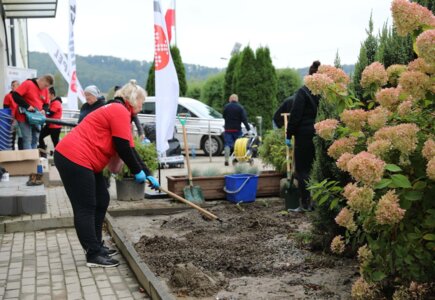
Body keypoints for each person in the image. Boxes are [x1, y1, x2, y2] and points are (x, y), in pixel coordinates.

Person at [54, 80, 159, 268]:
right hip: (73, 157)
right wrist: (137, 172)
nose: (142, 107)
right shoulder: (118, 110)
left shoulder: (122, 113)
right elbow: (122, 147)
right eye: (141, 102)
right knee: (85, 206)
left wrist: (148, 173)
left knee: (102, 199)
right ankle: (93, 254)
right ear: (133, 99)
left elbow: (131, 150)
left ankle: (97, 246)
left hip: (86, 161)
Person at [286, 61, 321, 212]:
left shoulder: (303, 92)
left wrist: (289, 135)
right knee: (318, 168)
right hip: (321, 134)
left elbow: (295, 116)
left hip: (304, 136)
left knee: (303, 170)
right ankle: (318, 203)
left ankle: (305, 204)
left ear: (309, 76)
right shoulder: (325, 93)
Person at [12, 74, 53, 149]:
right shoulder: (28, 84)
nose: (46, 88)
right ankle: (29, 158)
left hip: (37, 117)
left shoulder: (45, 90)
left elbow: (46, 103)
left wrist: (44, 109)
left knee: (35, 138)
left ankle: (33, 157)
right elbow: (15, 95)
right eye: (45, 85)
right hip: (24, 116)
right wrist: (27, 106)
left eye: (47, 86)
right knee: (27, 138)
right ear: (41, 80)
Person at [222, 94, 251, 166]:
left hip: (228, 130)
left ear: (230, 99)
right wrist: (248, 129)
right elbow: (244, 119)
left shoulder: (226, 107)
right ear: (237, 100)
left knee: (227, 145)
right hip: (237, 130)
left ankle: (226, 160)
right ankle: (238, 159)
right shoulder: (240, 108)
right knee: (239, 145)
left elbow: (224, 116)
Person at [38, 87, 63, 157]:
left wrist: (44, 112)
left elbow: (51, 113)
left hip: (55, 126)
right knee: (40, 137)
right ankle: (43, 152)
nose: (46, 95)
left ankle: (59, 156)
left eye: (47, 94)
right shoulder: (50, 102)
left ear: (52, 94)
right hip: (49, 125)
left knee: (55, 143)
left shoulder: (57, 102)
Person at [3, 80, 22, 150]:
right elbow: (6, 109)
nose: (13, 87)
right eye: (12, 85)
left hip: (21, 119)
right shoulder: (8, 96)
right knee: (12, 137)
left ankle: (21, 152)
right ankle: (12, 152)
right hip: (12, 120)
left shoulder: (21, 96)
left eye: (15, 85)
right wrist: (9, 118)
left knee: (21, 137)